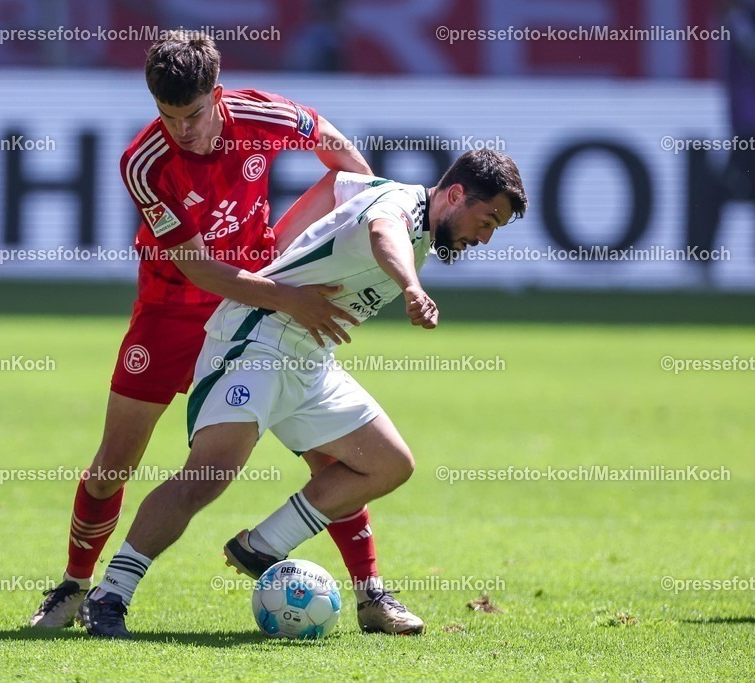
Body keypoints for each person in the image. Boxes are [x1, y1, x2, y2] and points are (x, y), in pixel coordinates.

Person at [31, 30, 424, 635]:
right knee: (114, 463)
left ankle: (371, 594)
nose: (181, 129)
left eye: (191, 114)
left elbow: (351, 169)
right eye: (167, 115)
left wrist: (306, 253)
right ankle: (75, 586)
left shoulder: (265, 115)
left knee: (331, 452)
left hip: (255, 311)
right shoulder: (144, 161)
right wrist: (288, 292)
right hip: (171, 311)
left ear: (217, 93)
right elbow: (197, 267)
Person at [75, 149, 529, 639]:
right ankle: (109, 594)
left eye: (495, 229)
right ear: (456, 194)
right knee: (208, 475)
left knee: (388, 463)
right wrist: (412, 288)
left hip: (311, 359)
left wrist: (281, 249)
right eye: (488, 220)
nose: (484, 237)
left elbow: (337, 183)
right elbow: (382, 234)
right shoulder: (400, 207)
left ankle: (263, 547)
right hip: (257, 342)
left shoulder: (383, 192)